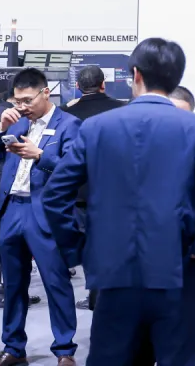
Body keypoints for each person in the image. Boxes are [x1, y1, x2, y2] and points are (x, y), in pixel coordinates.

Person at [41, 37, 195, 366]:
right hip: (179, 273)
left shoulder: (96, 128)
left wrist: (79, 249)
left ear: (135, 74)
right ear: (176, 78)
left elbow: (54, 194)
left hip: (113, 274)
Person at [0, 69, 81, 366]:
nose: (22, 106)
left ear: (45, 92)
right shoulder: (16, 122)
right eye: (17, 101)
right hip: (12, 209)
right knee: (13, 285)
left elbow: (76, 169)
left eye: (27, 100)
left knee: (56, 282)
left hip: (45, 212)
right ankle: (13, 347)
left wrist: (40, 156)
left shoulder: (69, 125)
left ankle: (65, 350)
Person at [63, 65, 126, 311]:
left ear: (78, 86)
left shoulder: (66, 114)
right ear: (103, 84)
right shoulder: (124, 110)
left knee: (89, 246)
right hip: (116, 192)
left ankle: (94, 294)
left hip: (80, 192)